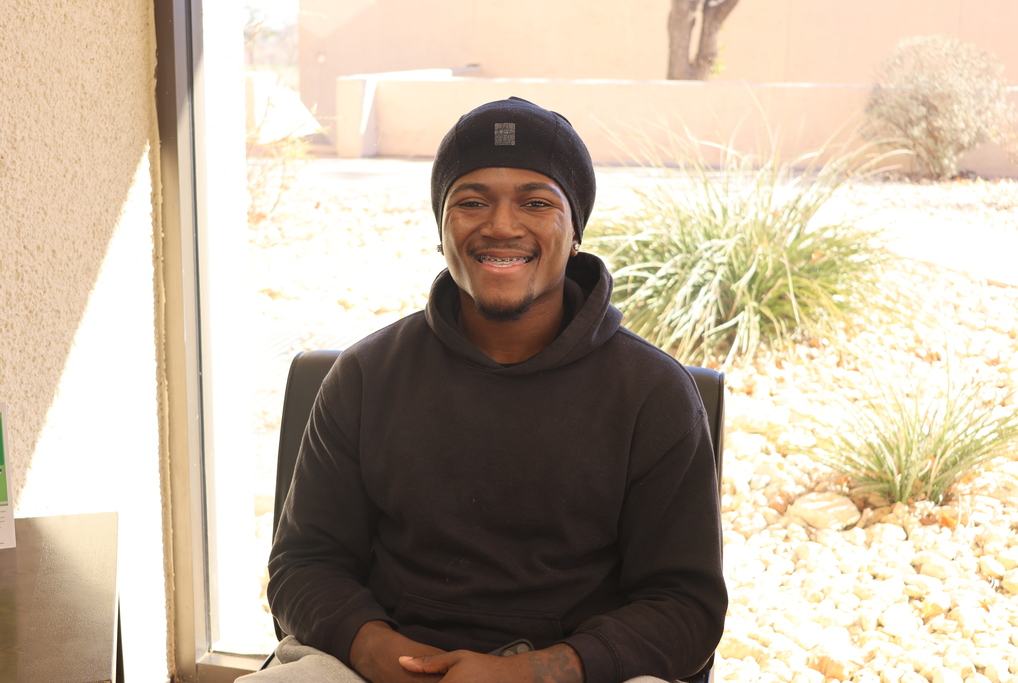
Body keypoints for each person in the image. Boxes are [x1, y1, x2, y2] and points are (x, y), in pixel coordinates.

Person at [246, 97, 727, 683]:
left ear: (574, 230)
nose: (502, 225)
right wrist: (384, 656)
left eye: (536, 201)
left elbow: (687, 608)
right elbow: (304, 566)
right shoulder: (365, 377)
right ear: (441, 229)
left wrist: (531, 673)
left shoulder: (653, 394)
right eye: (471, 201)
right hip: (385, 665)